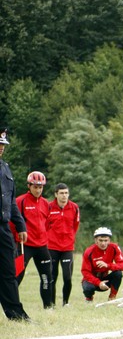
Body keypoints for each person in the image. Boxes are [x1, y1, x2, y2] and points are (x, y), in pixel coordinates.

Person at [0, 128, 30, 321]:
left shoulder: (5, 168)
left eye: (3, 145)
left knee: (8, 272)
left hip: (3, 228)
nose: (1, 148)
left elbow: (11, 201)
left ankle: (16, 315)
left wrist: (20, 225)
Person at [15, 170, 54, 309]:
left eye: (40, 187)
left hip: (42, 246)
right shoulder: (20, 201)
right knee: (16, 277)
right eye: (35, 187)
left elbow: (47, 223)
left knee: (46, 277)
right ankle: (11, 306)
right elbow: (13, 222)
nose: (38, 190)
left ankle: (48, 307)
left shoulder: (45, 203)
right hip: (24, 245)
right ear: (29, 186)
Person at [47, 182, 80, 306]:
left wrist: (69, 238)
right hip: (52, 247)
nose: (64, 196)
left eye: (66, 193)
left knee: (67, 277)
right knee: (52, 277)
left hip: (67, 248)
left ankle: (66, 302)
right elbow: (45, 225)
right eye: (61, 193)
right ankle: (51, 304)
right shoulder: (49, 207)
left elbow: (75, 225)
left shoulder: (74, 207)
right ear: (56, 194)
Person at [81, 227, 123, 302]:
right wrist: (98, 283)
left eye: (106, 240)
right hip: (92, 280)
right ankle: (89, 299)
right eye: (100, 240)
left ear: (109, 240)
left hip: (105, 280)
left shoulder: (114, 248)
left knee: (118, 273)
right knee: (88, 288)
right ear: (96, 240)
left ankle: (112, 297)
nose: (103, 243)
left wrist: (108, 265)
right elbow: (85, 272)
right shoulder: (89, 251)